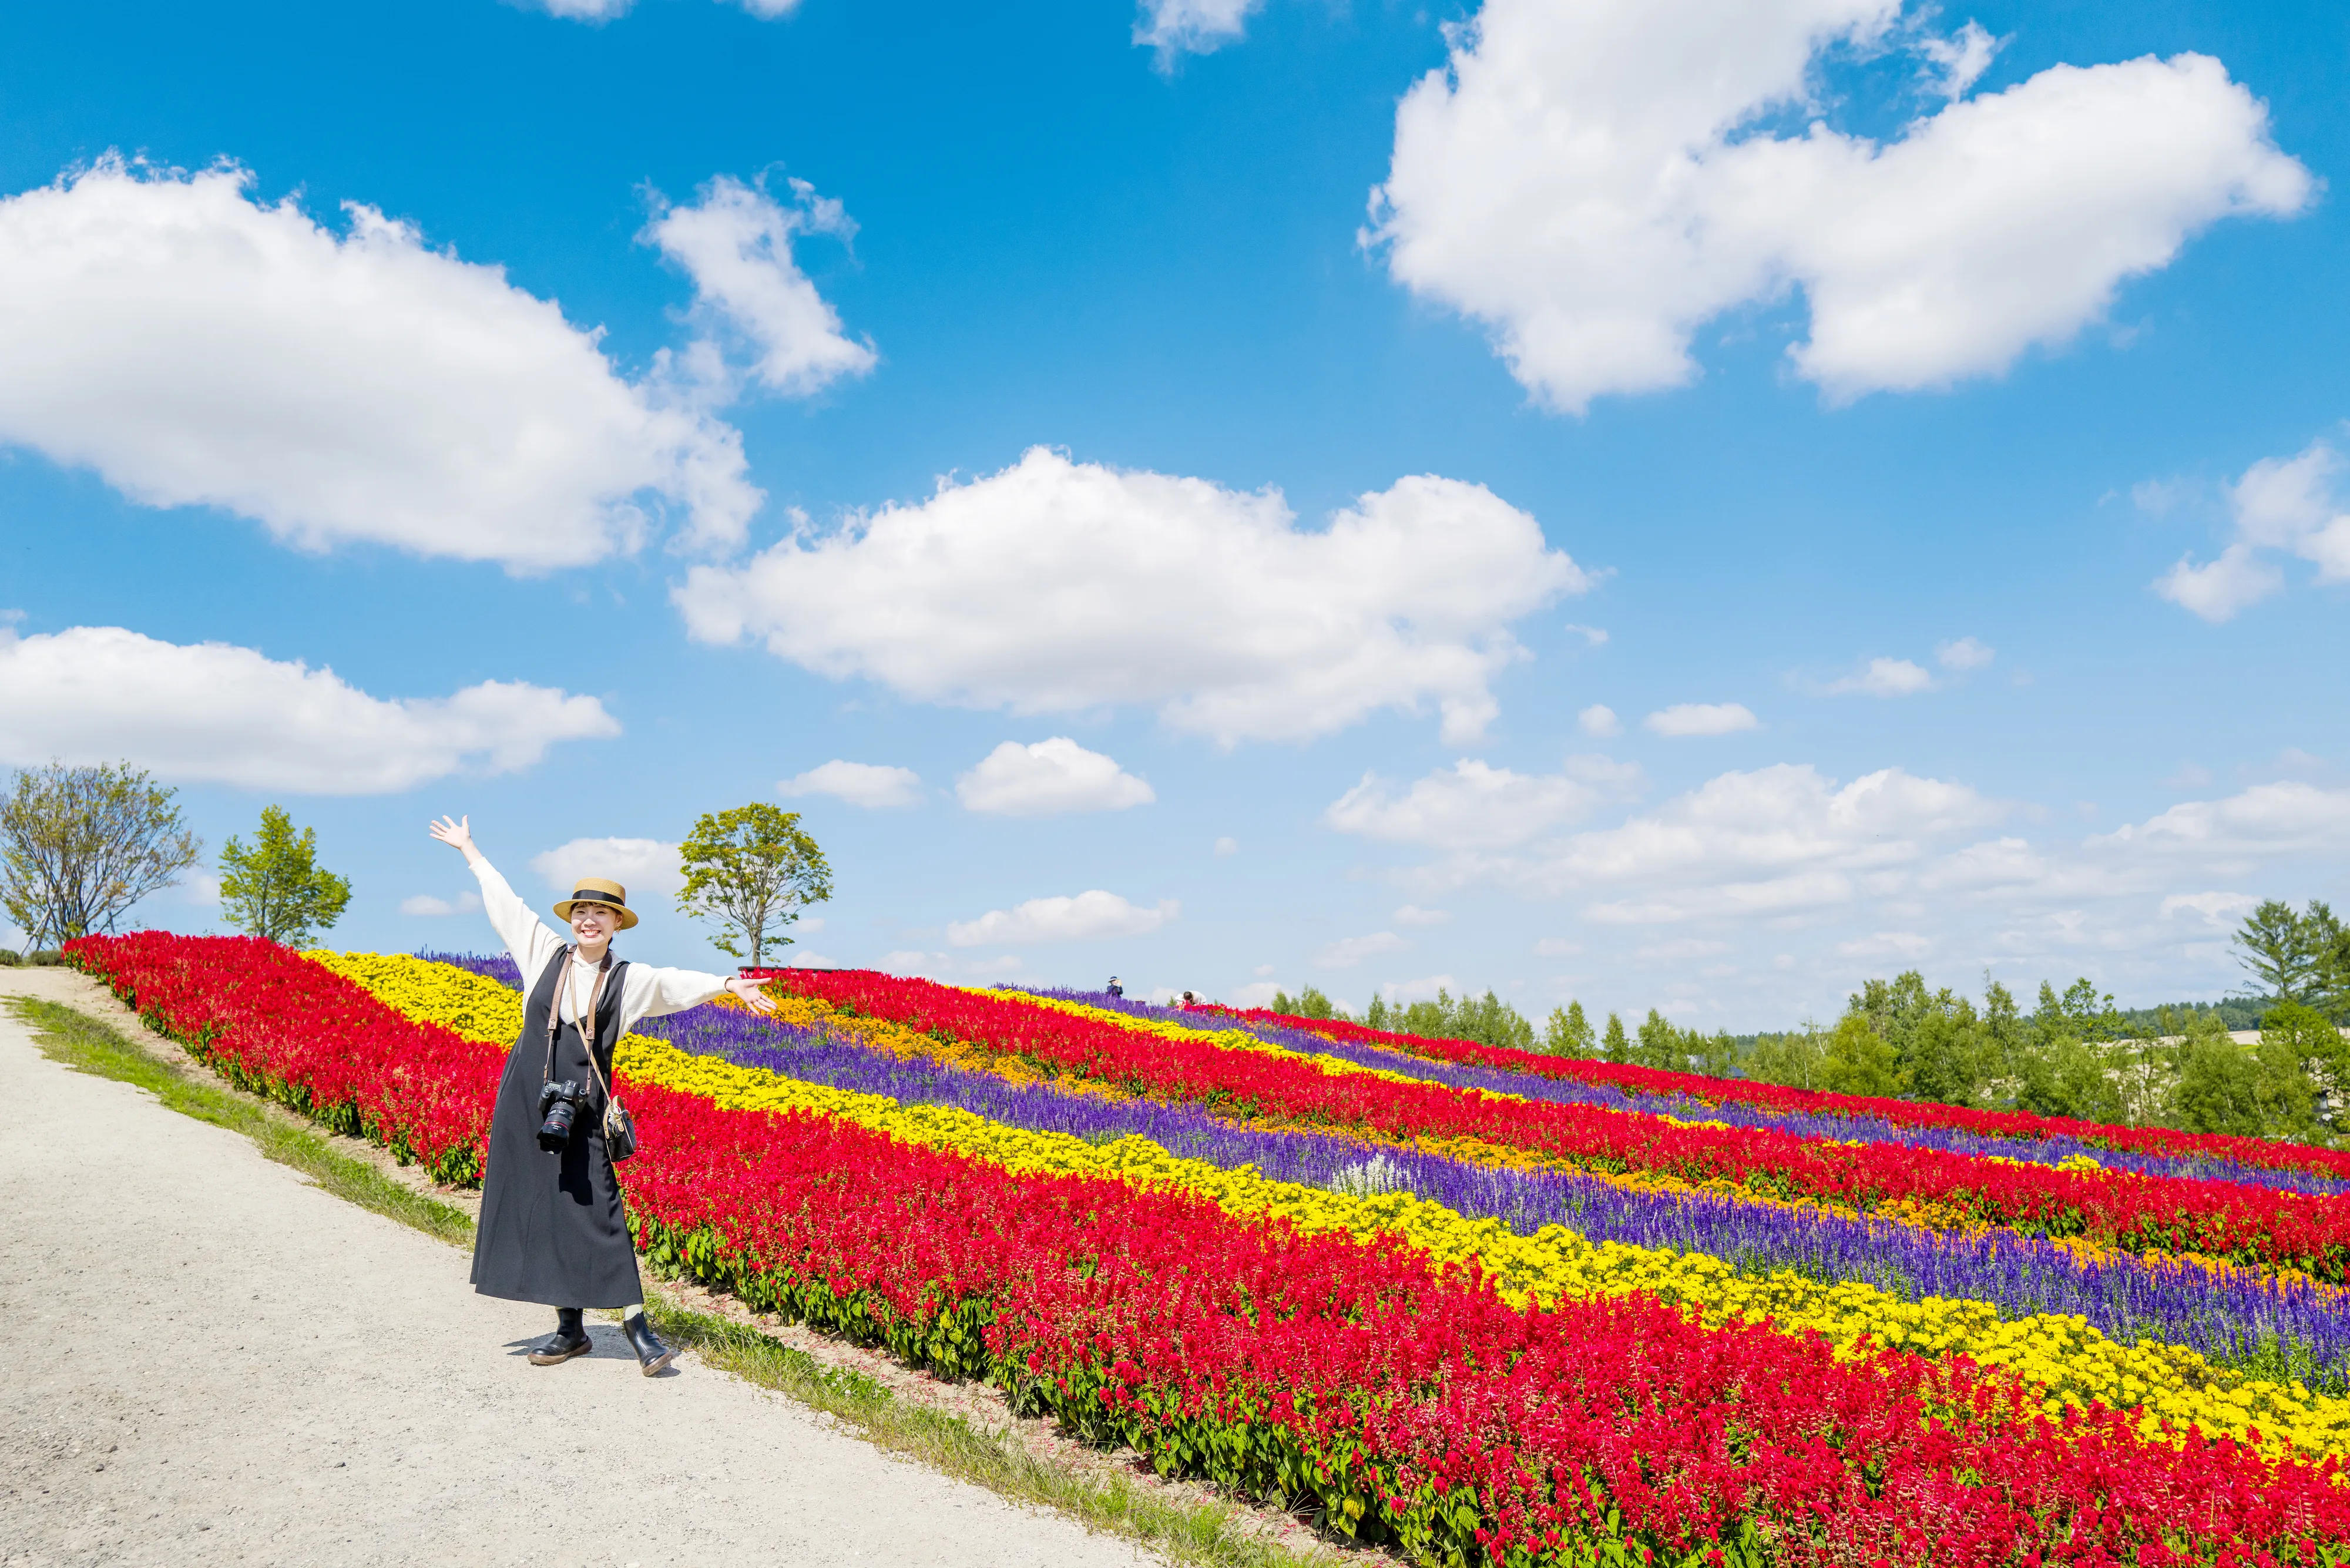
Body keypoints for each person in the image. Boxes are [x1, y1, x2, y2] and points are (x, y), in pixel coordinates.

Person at [428, 814, 777, 1375]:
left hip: (586, 1107)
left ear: (617, 924)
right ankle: (570, 1329)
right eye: (582, 912)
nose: (590, 921)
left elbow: (673, 983)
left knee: (601, 1209)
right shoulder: (543, 950)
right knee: (546, 1207)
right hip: (528, 1096)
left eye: (602, 913)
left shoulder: (627, 978)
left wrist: (728, 983)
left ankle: (638, 1328)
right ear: (572, 919)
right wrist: (470, 850)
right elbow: (506, 903)